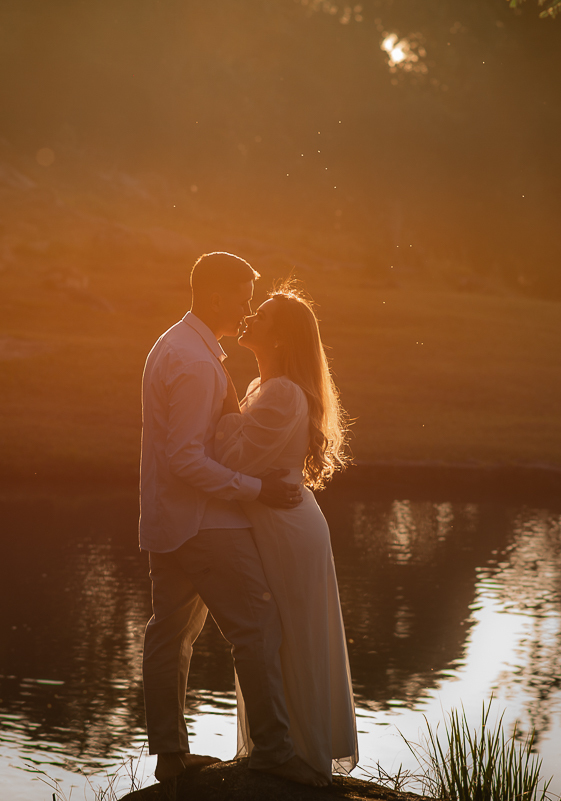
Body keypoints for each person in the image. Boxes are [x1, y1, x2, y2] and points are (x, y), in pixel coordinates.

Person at [139, 252, 326, 786]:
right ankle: (274, 751)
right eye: (244, 297)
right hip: (206, 524)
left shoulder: (176, 344)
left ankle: (171, 756)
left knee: (170, 634)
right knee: (257, 627)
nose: (247, 308)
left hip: (168, 520)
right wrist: (257, 489)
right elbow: (186, 458)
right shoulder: (197, 362)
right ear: (216, 297)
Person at [213, 281, 359, 783]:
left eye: (263, 315)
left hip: (287, 530)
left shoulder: (280, 393)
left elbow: (231, 458)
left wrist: (223, 411)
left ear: (279, 339)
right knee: (276, 635)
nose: (250, 316)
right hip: (279, 523)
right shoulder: (265, 388)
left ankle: (303, 757)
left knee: (291, 636)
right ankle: (283, 746)